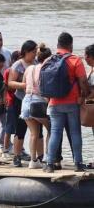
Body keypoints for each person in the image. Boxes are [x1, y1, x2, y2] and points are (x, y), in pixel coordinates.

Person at [44, 32, 90, 173]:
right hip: (72, 103)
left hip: (54, 103)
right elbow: (83, 82)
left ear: (58, 44)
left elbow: (43, 85)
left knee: (55, 133)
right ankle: (78, 164)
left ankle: (50, 164)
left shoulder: (48, 60)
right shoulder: (75, 60)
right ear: (71, 45)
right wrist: (85, 94)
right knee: (75, 132)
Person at [21, 44, 52, 169]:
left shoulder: (29, 68)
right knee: (51, 130)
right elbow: (46, 88)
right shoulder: (46, 69)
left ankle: (33, 161)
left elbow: (24, 84)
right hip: (39, 102)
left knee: (34, 134)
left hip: (27, 101)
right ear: (48, 58)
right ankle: (47, 157)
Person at [8, 40, 37, 167]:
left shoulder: (36, 63)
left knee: (36, 131)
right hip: (20, 100)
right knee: (20, 130)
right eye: (33, 52)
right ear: (26, 52)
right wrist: (25, 85)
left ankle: (36, 157)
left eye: (36, 52)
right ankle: (17, 156)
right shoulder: (17, 65)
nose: (35, 54)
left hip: (34, 101)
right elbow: (10, 83)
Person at [2, 50, 21, 159]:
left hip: (20, 100)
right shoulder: (9, 71)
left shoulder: (22, 70)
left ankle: (17, 149)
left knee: (19, 126)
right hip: (11, 100)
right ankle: (5, 149)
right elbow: (6, 86)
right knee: (8, 126)